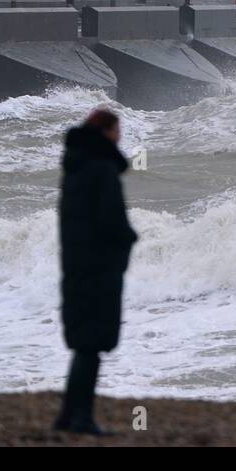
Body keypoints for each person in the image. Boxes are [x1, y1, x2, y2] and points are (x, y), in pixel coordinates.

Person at [54, 108, 138, 436]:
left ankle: (67, 415)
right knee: (91, 342)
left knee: (83, 343)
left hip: (76, 264)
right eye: (118, 130)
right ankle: (82, 419)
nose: (121, 136)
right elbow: (111, 222)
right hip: (98, 267)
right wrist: (128, 240)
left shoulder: (75, 169)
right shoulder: (103, 170)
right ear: (106, 132)